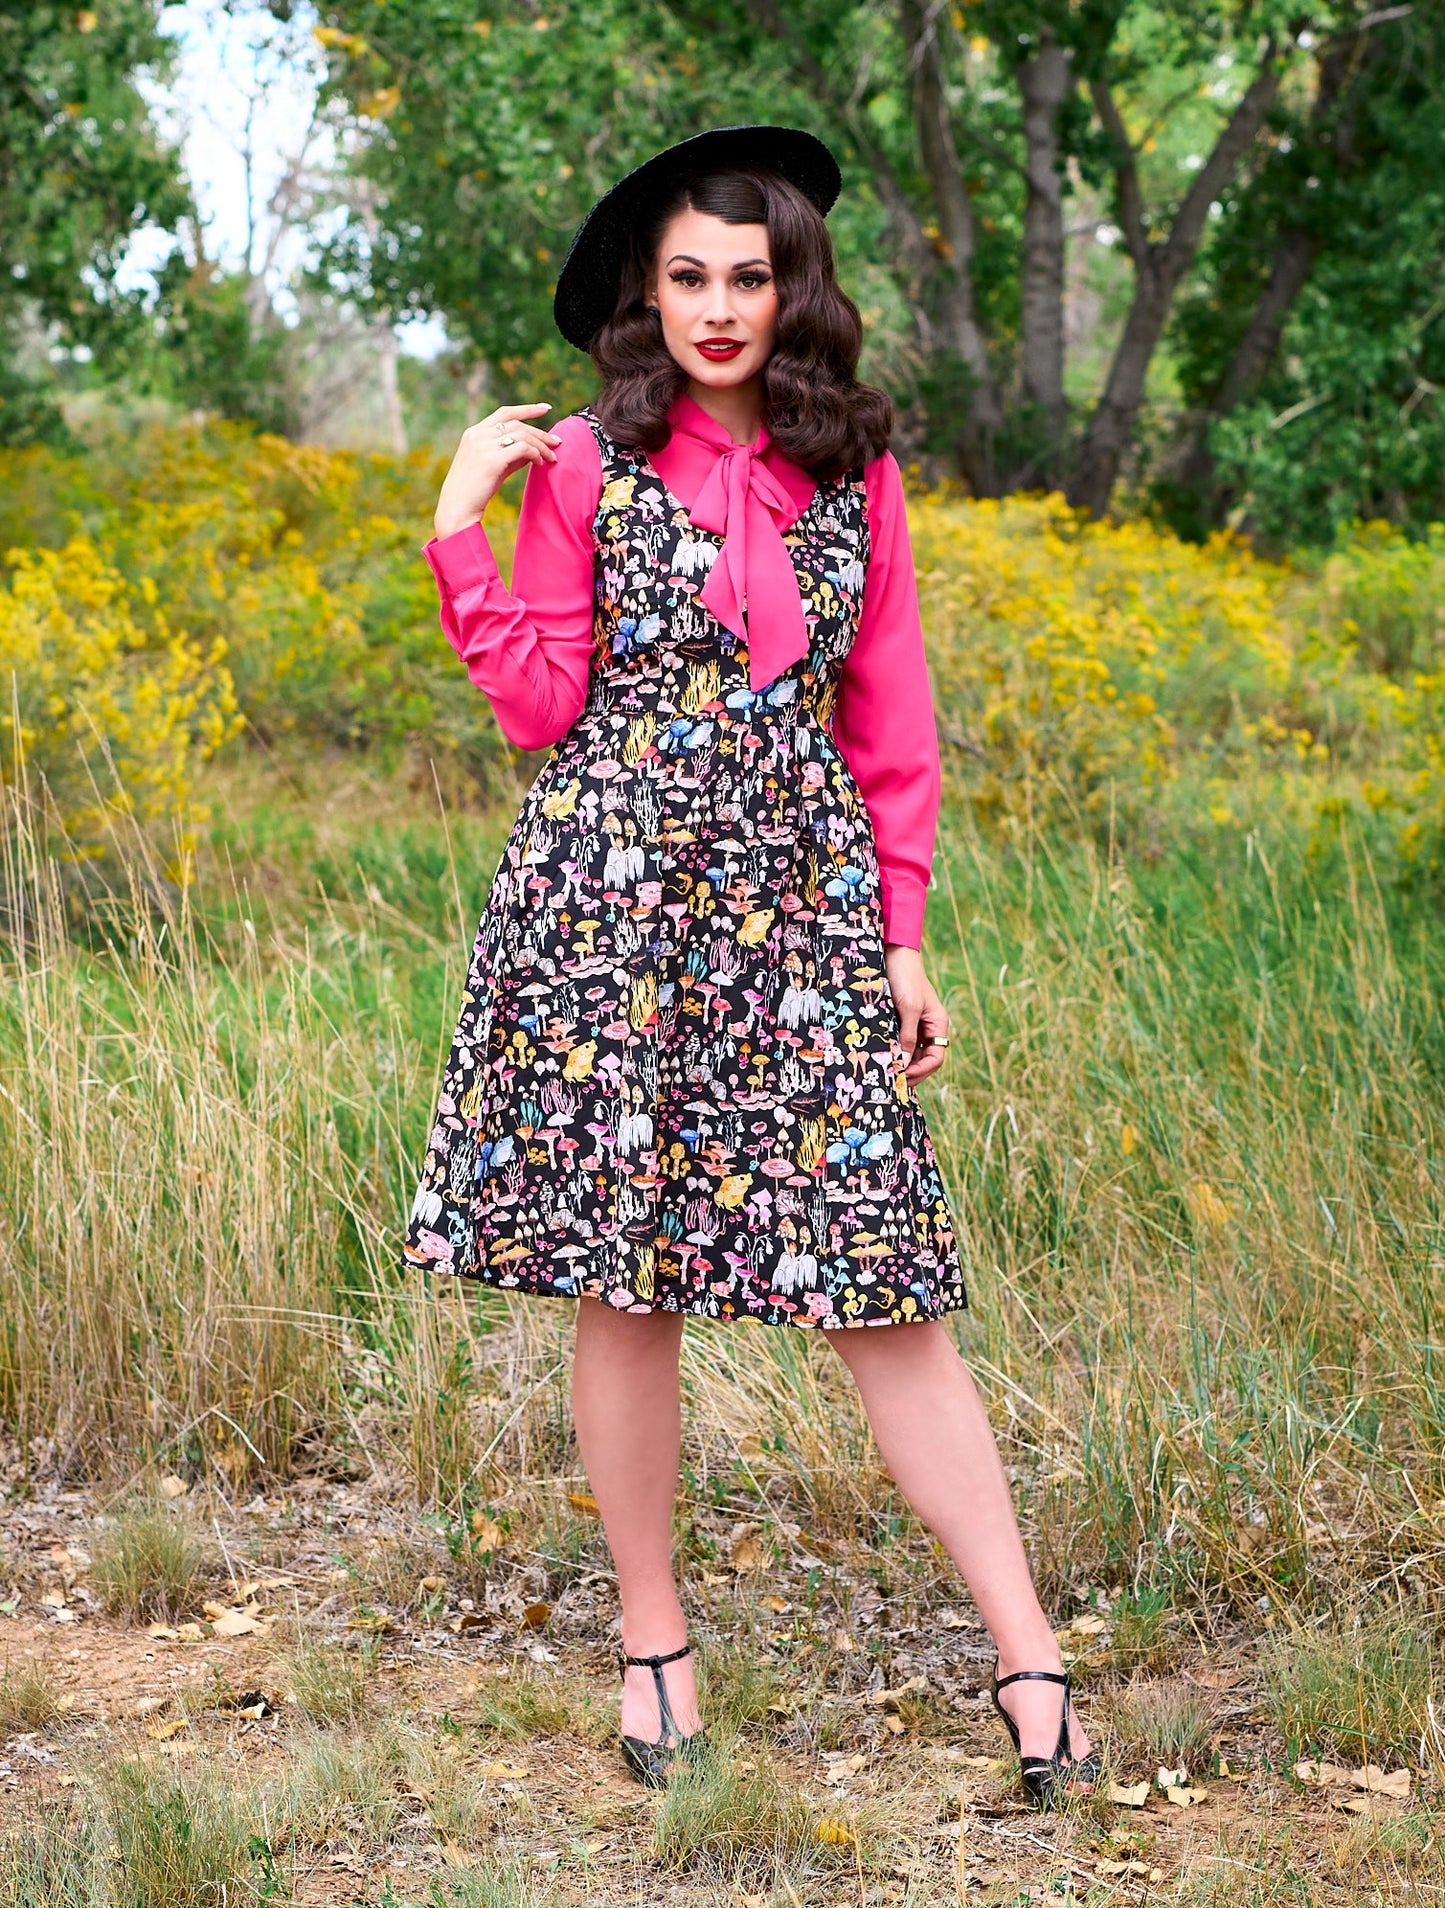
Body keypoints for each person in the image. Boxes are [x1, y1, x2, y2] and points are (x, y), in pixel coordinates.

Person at [404, 125, 1097, 1811]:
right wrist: (461, 528)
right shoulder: (583, 461)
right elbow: (539, 708)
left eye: (750, 276)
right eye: (689, 279)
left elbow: (892, 712)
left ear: (792, 291)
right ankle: (656, 1649)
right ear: (648, 299)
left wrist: (905, 933)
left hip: (798, 912)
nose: (721, 307)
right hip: (610, 907)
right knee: (627, 1285)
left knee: (886, 1286)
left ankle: (1029, 1658)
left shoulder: (853, 467)